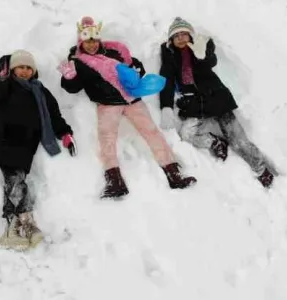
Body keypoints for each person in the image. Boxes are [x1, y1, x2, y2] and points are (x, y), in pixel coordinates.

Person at [58, 16, 196, 199]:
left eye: (94, 41)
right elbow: (73, 88)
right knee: (107, 140)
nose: (91, 45)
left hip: (132, 100)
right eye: (87, 42)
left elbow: (135, 68)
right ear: (81, 43)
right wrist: (69, 78)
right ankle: (115, 181)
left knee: (152, 132)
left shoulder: (115, 52)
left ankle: (173, 173)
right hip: (107, 105)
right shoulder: (79, 62)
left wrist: (137, 71)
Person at [0, 49, 76, 249]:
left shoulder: (40, 90)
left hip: (25, 142)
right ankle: (16, 224)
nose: (25, 71)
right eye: (20, 67)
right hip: (2, 136)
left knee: (18, 178)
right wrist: (1, 79)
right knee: (14, 179)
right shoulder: (8, 85)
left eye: (29, 67)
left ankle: (22, 223)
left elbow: (54, 114)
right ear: (12, 69)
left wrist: (65, 134)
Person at [158, 17, 277, 188]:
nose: (181, 38)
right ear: (171, 40)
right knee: (187, 134)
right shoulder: (170, 57)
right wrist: (166, 106)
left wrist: (201, 55)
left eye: (185, 34)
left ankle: (261, 170)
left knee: (238, 140)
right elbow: (167, 81)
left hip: (217, 98)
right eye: (177, 36)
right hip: (194, 104)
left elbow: (210, 62)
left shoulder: (202, 46)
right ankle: (215, 142)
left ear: (191, 35)